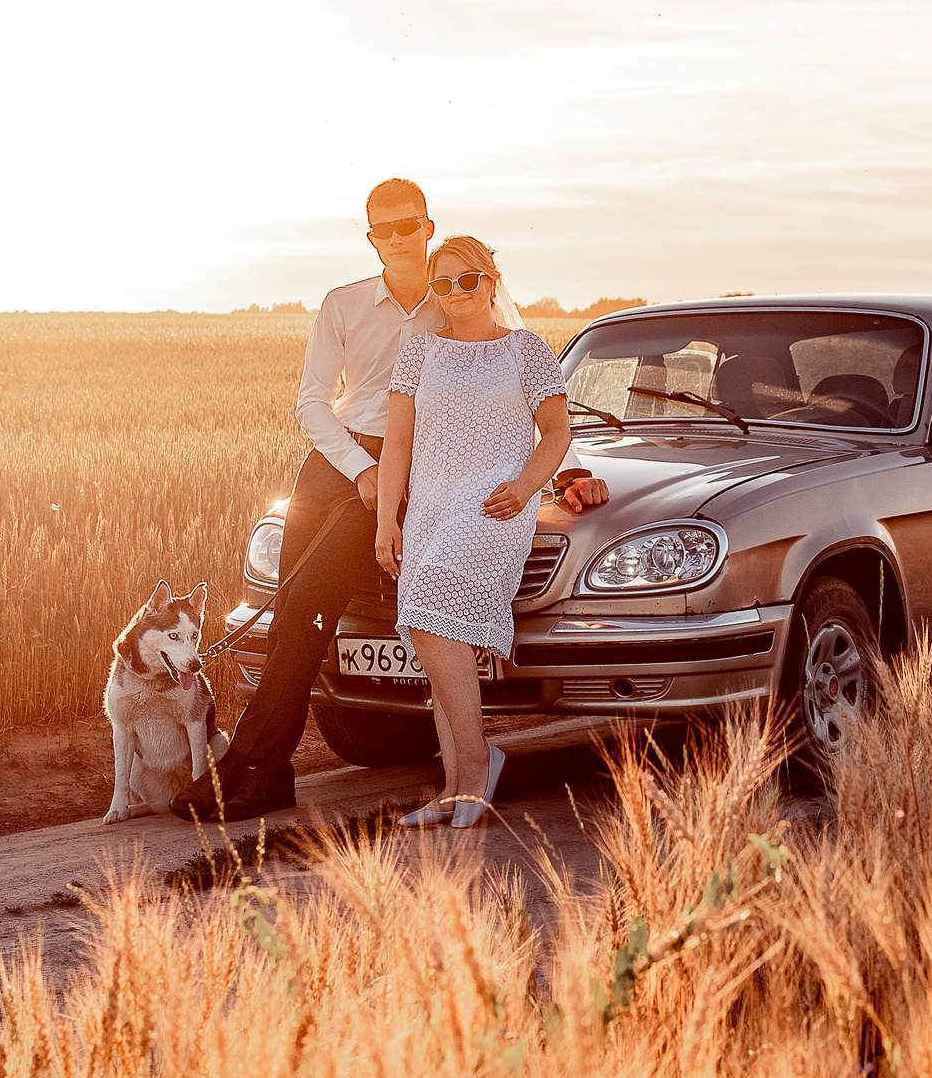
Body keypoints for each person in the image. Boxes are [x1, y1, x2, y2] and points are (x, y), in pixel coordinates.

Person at [172, 181, 607, 820]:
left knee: (314, 599)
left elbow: (513, 402)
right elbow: (313, 403)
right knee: (291, 608)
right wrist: (359, 469)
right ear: (372, 237)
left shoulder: (450, 304)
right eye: (384, 230)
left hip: (406, 469)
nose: (398, 238)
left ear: (429, 226)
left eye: (409, 226)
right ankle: (266, 770)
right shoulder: (344, 304)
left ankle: (253, 766)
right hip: (335, 467)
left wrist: (564, 473)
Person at [375, 235, 572, 827]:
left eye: (468, 280)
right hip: (431, 509)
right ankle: (455, 788)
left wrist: (526, 485)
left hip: (494, 508)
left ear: (491, 281)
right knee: (438, 639)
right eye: (444, 284)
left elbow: (558, 433)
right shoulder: (419, 354)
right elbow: (398, 444)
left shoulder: (526, 351)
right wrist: (389, 520)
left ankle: (476, 767)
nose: (457, 293)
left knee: (433, 610)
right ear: (434, 292)